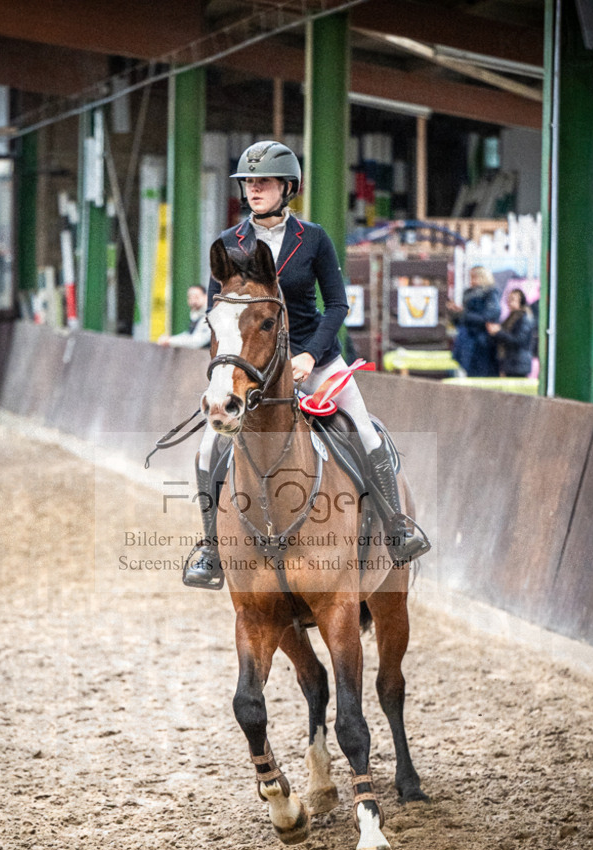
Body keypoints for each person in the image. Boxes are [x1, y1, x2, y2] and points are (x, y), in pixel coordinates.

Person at [183, 139, 429, 589]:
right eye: (248, 182)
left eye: (264, 181)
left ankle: (397, 528)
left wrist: (310, 354)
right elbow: (219, 313)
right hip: (253, 369)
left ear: (287, 187)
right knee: (206, 449)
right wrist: (226, 369)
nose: (254, 189)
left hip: (314, 361)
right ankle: (211, 549)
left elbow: (336, 306)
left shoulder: (312, 238)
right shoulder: (228, 243)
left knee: (365, 431)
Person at [447, 266, 501, 377]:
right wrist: (456, 314)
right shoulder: (469, 293)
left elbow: (490, 316)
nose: (471, 281)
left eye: (474, 277)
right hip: (467, 340)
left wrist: (464, 314)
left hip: (481, 341)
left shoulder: (490, 293)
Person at [486, 287, 533, 377]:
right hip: (511, 364)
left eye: (512, 299)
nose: (509, 302)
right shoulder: (511, 317)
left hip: (518, 365)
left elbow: (518, 341)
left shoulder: (523, 318)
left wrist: (498, 332)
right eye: (508, 299)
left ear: (521, 301)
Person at [157, 284, 211, 349]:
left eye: (196, 297)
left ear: (206, 297)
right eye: (190, 297)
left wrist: (170, 341)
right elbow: (189, 335)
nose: (193, 301)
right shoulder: (196, 316)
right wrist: (169, 339)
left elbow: (196, 342)